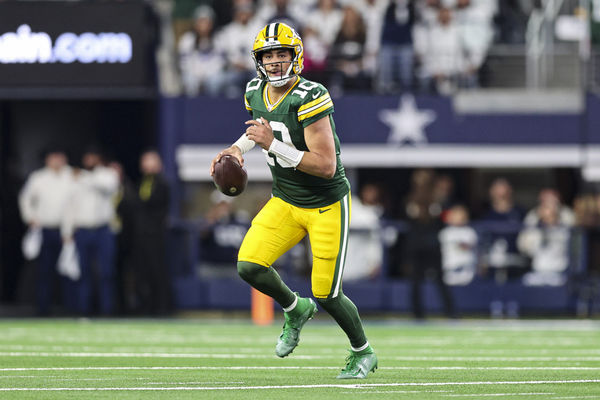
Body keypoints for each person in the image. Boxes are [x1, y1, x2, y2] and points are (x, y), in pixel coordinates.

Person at [209, 22, 377, 379]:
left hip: (326, 204)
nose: (274, 61)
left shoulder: (311, 95)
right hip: (285, 199)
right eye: (268, 55)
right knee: (249, 265)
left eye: (281, 53)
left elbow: (326, 166)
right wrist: (236, 149)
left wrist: (273, 145)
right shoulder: (255, 89)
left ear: (295, 56)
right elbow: (259, 129)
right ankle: (294, 308)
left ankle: (363, 351)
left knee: (327, 294)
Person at [61, 148, 119, 315]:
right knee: (82, 272)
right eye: (87, 157)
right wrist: (67, 232)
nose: (89, 160)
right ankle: (83, 310)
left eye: (93, 157)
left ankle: (107, 310)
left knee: (106, 272)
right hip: (83, 230)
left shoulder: (107, 174)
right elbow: (70, 206)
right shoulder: (75, 179)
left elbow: (107, 187)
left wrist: (84, 177)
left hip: (103, 229)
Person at [18, 147, 73, 315]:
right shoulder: (38, 177)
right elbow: (25, 199)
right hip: (45, 230)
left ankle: (71, 309)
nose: (56, 161)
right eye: (53, 157)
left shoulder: (73, 175)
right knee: (44, 271)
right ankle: (43, 309)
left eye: (59, 157)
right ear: (47, 160)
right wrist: (30, 217)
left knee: (69, 271)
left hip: (68, 232)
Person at [131, 150, 172, 315]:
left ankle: (162, 306)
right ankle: (146, 306)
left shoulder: (163, 184)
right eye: (144, 161)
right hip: (140, 235)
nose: (146, 164)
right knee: (142, 271)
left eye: (150, 161)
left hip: (155, 235)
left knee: (157, 270)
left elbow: (156, 207)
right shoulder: (140, 182)